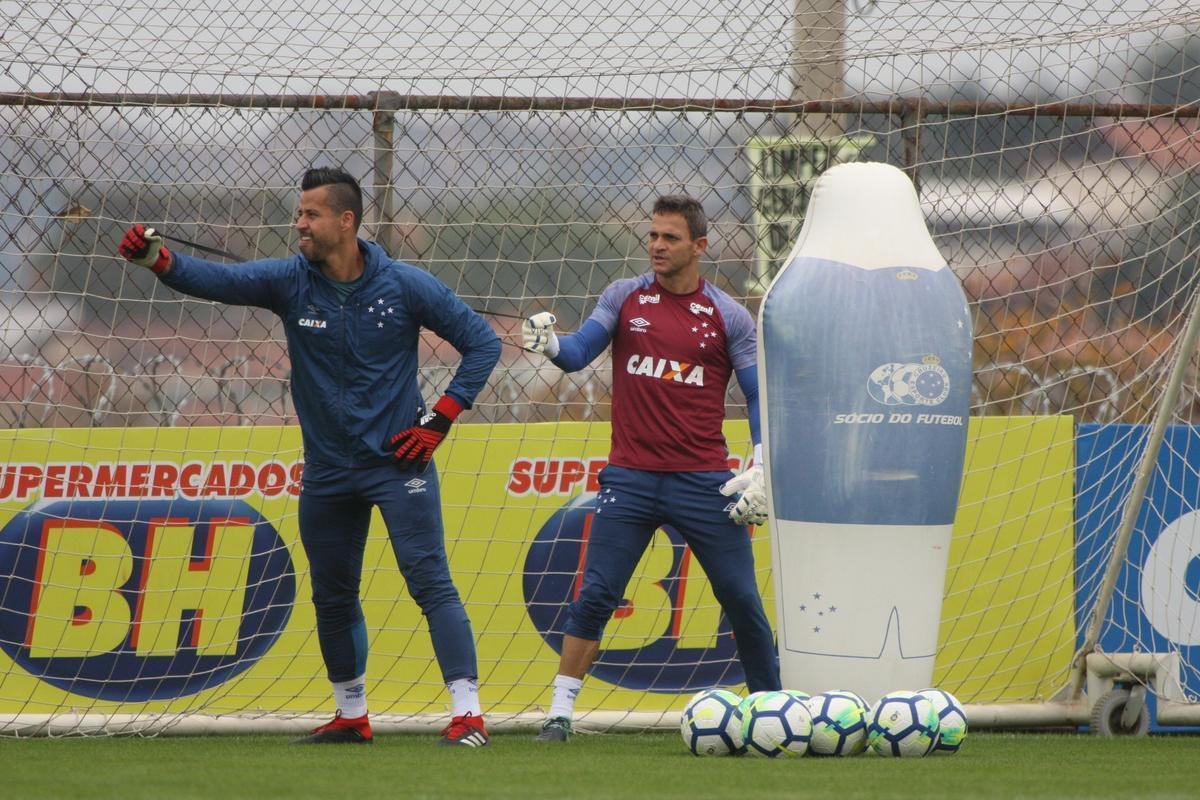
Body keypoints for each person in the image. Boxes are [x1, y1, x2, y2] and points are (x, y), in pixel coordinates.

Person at [118, 166, 501, 747]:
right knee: (332, 593)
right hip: (327, 472)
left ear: (346, 222)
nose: (299, 223)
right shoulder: (288, 281)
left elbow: (483, 342)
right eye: (298, 213)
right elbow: (220, 280)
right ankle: (352, 715)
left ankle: (468, 714)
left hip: (399, 466)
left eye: (310, 214)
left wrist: (440, 420)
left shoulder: (405, 285)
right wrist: (157, 260)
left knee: (430, 581)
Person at [522, 194, 779, 742]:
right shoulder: (624, 296)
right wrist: (550, 344)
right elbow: (578, 352)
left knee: (741, 600)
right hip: (631, 480)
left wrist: (761, 462)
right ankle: (559, 715)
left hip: (704, 481)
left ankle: (773, 712)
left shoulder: (728, 315)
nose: (657, 246)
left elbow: (758, 392)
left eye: (670, 238)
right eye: (653, 236)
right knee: (596, 594)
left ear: (699, 246)